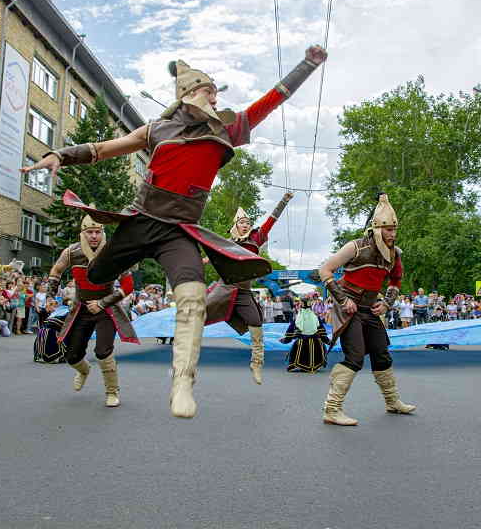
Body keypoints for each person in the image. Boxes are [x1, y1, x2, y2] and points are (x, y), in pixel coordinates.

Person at [22, 45, 327, 418]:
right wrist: (61, 155)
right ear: (187, 94)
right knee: (96, 276)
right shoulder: (156, 129)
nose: (216, 96)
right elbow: (103, 149)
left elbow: (272, 101)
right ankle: (80, 356)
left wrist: (307, 65)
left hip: (179, 230)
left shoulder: (226, 129)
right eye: (209, 89)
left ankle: (183, 382)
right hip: (140, 221)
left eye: (217, 91)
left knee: (194, 299)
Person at [317, 194, 416, 426]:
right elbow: (325, 270)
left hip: (370, 309)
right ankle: (332, 409)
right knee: (354, 357)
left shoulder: (395, 253)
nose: (393, 234)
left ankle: (392, 402)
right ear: (376, 228)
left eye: (395, 229)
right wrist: (342, 300)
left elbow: (395, 281)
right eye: (388, 229)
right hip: (349, 308)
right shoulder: (355, 247)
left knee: (382, 353)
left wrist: (387, 303)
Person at [46, 215, 137, 408]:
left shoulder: (114, 252)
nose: (94, 236)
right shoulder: (71, 252)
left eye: (98, 232)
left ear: (103, 233)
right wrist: (50, 296)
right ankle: (84, 370)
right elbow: (56, 271)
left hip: (107, 308)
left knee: (103, 351)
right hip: (81, 308)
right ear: (83, 233)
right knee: (72, 356)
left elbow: (128, 286)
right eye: (90, 232)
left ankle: (112, 391)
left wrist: (103, 303)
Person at [206, 192, 293, 384]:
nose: (246, 224)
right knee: (199, 313)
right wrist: (203, 260)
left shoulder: (256, 238)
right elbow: (211, 256)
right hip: (225, 287)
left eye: (248, 222)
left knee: (255, 321)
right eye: (242, 222)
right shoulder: (226, 243)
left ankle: (256, 363)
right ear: (235, 225)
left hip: (244, 291)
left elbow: (272, 220)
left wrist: (284, 201)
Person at [280, 295, 329, 373]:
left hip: (302, 341)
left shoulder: (298, 317)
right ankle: (315, 365)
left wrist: (285, 340)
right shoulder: (315, 316)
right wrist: (327, 341)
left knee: (298, 345)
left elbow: (291, 330)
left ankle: (299, 364)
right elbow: (322, 331)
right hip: (316, 342)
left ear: (301, 305)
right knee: (319, 345)